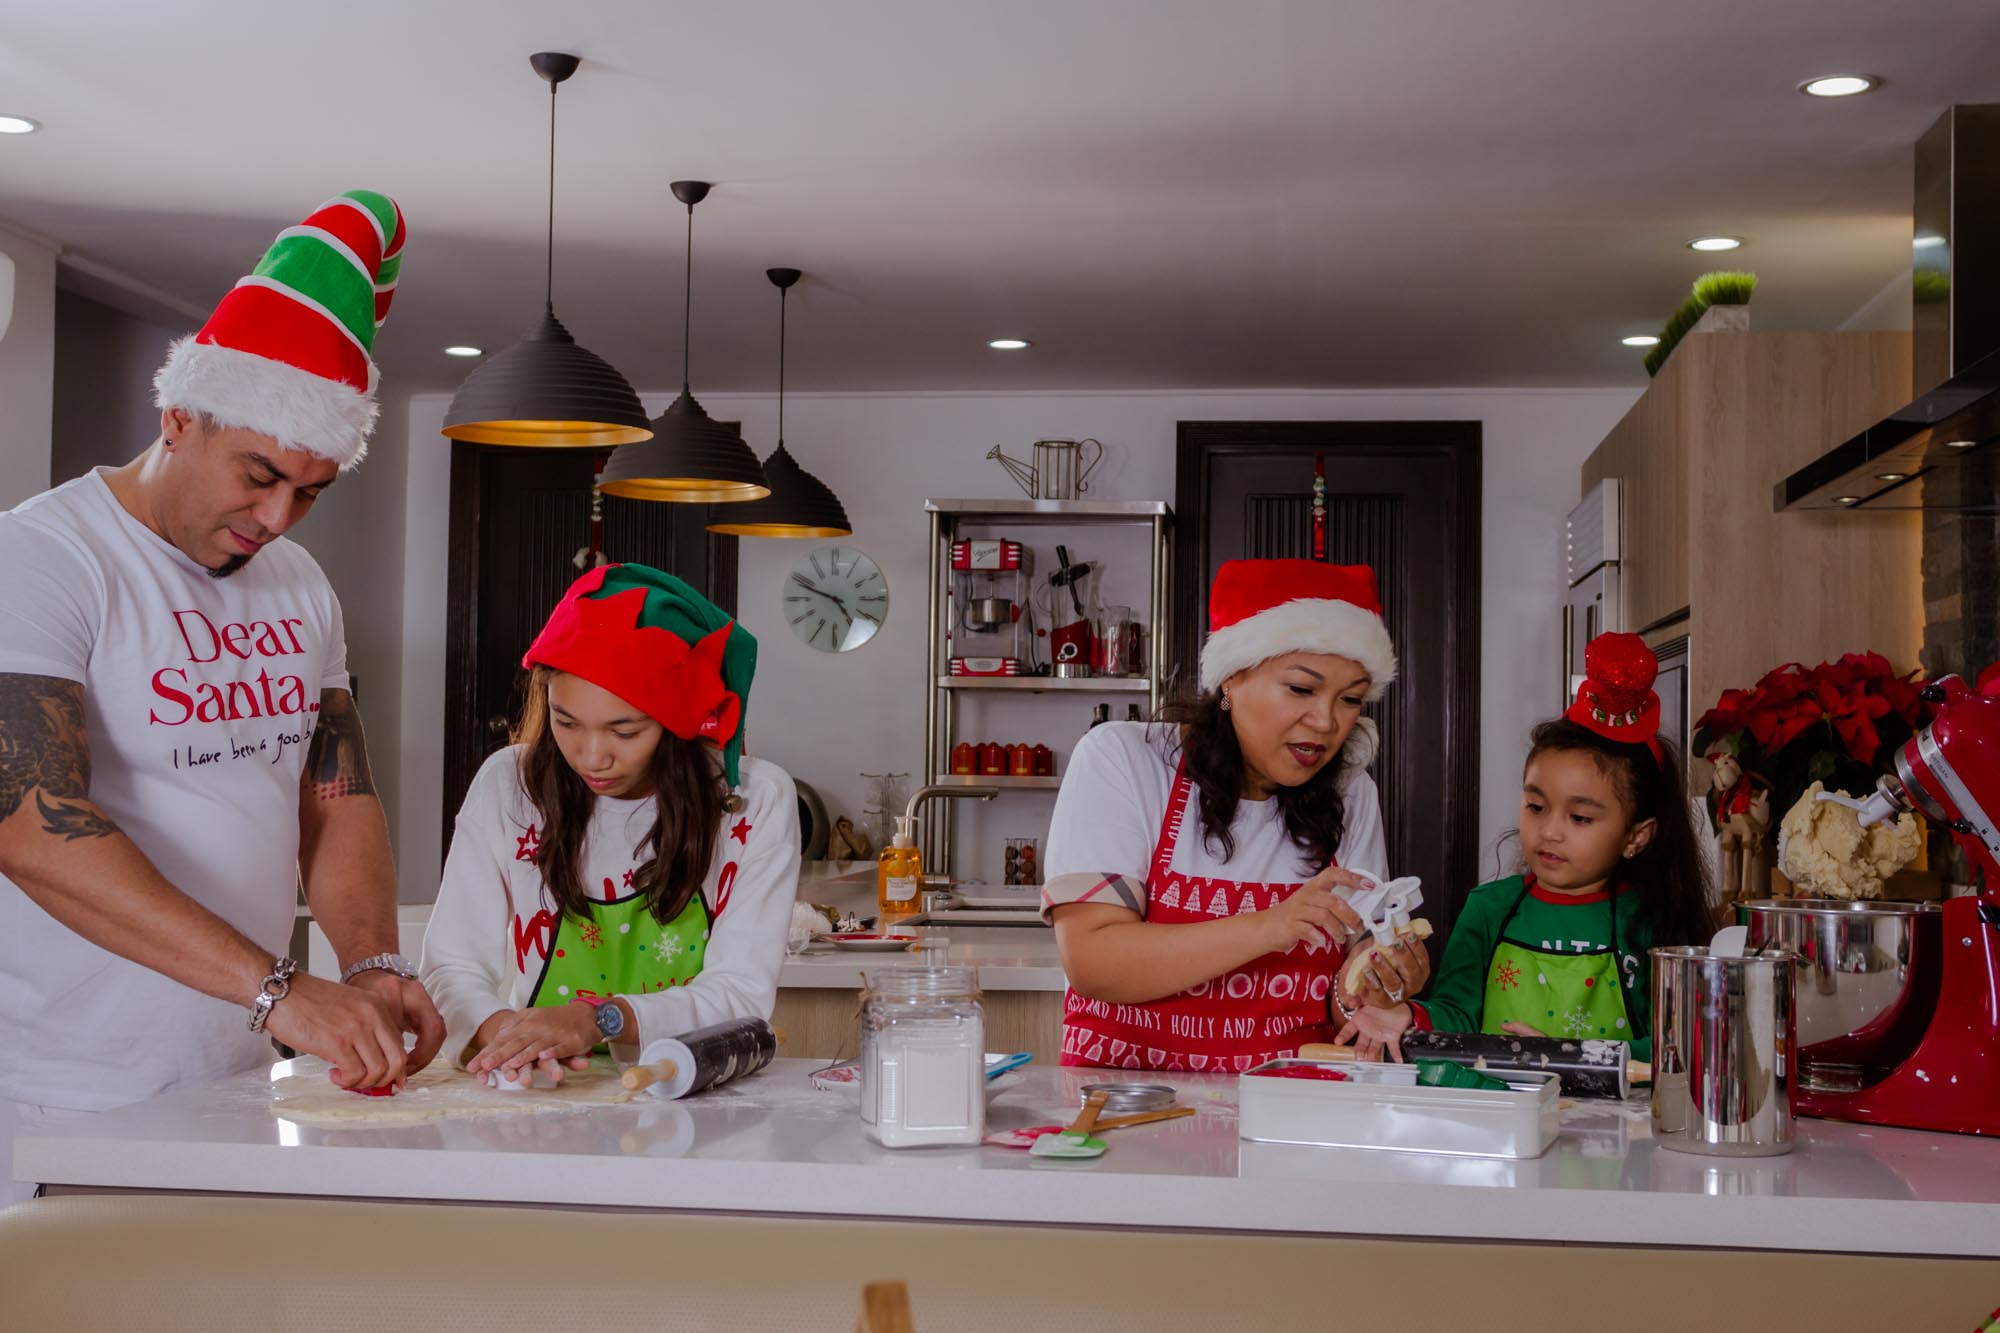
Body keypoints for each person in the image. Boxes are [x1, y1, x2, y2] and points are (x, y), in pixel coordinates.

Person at [0, 191, 443, 1206]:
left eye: (310, 490)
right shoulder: (41, 557)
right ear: (179, 416)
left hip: (241, 1078)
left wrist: (369, 961)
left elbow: (335, 793)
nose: (277, 516)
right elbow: (31, 825)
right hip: (63, 1086)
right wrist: (280, 990)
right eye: (258, 474)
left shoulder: (300, 585)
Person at [420, 564, 800, 1088]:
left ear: (676, 720)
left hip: (686, 1092)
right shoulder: (509, 786)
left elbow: (740, 994)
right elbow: (452, 965)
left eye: (625, 731)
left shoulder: (752, 802)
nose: (591, 757)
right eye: (566, 722)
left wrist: (600, 1019)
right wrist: (509, 1038)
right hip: (544, 1091)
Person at [1041, 558, 1429, 1072]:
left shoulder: (1351, 794)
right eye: (1301, 689)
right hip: (1130, 1100)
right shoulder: (1126, 761)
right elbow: (1093, 961)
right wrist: (1272, 926)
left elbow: (1344, 1007)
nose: (1326, 721)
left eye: (1351, 699)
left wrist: (1375, 983)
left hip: (1286, 1100)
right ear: (1231, 677)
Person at [1339, 633, 1715, 1062]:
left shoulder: (1653, 923)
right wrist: (1408, 1016)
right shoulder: (1488, 909)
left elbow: (1677, 1046)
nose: (1549, 832)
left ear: (1637, 836)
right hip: (1499, 1101)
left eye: (1580, 817)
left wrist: (1567, 1056)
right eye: (1536, 807)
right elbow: (1456, 1014)